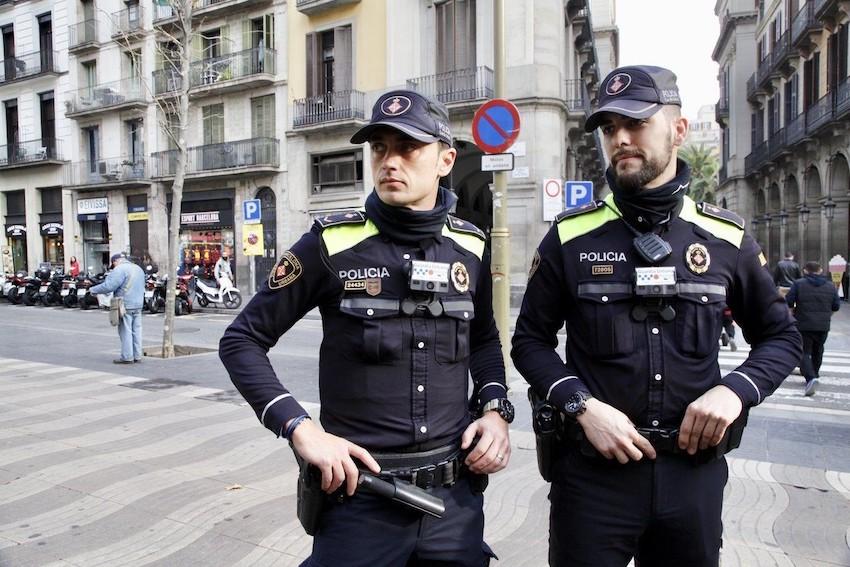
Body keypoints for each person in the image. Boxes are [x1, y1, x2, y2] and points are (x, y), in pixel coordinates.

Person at [511, 65, 801, 567]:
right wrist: (582, 406)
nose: (620, 139)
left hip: (692, 475)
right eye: (608, 129)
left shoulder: (724, 239)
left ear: (679, 130)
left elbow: (782, 337)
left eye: (637, 123)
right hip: (592, 476)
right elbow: (529, 341)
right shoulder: (569, 238)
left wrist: (734, 391)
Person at [219, 89, 511, 567]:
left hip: (454, 504)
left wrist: (496, 411)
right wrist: (299, 427)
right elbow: (241, 341)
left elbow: (483, 342)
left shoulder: (470, 247)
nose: (390, 162)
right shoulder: (330, 245)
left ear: (445, 160)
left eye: (408, 148)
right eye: (380, 148)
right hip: (360, 501)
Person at [786, 261, 841, 396]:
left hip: (803, 323)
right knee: (818, 349)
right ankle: (815, 373)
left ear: (805, 271)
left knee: (803, 351)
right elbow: (836, 306)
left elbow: (789, 301)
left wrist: (792, 312)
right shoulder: (830, 286)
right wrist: (828, 315)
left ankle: (811, 377)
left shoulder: (798, 284)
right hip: (823, 325)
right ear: (821, 270)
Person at [90, 253, 146, 364]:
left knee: (125, 331)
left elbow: (109, 286)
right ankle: (137, 355)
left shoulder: (120, 269)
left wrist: (93, 289)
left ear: (116, 261)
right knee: (137, 330)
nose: (113, 266)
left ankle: (127, 357)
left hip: (125, 304)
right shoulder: (138, 268)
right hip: (138, 304)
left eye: (113, 264)